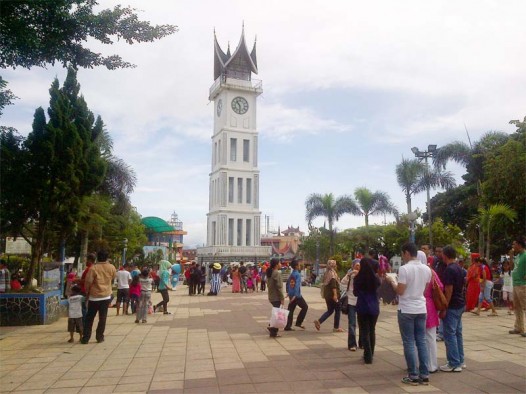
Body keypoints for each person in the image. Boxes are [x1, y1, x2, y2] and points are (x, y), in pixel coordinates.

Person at [387, 243, 431, 385]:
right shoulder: (427, 269)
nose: (402, 256)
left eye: (403, 254)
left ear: (407, 253)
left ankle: (413, 374)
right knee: (421, 341)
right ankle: (424, 374)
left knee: (409, 342)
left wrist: (392, 281)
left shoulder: (404, 269)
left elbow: (400, 291)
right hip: (421, 308)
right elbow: (425, 288)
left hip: (406, 309)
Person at [81, 250, 116, 344]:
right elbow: (113, 278)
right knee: (103, 318)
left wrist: (87, 291)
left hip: (94, 296)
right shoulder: (112, 267)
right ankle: (99, 337)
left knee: (89, 318)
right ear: (107, 258)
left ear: (97, 257)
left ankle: (86, 338)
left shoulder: (93, 268)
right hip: (106, 296)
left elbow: (88, 282)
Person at [440, 245, 466, 372]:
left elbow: (448, 289)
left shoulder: (449, 270)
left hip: (453, 304)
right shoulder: (459, 268)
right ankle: (460, 360)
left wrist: (445, 306)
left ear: (445, 255)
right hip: (460, 303)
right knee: (457, 333)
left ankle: (454, 363)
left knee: (449, 334)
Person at [419, 250, 443, 374]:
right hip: (430, 305)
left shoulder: (414, 271)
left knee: (419, 338)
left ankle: (421, 363)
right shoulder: (431, 271)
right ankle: (432, 365)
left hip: (417, 305)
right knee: (431, 337)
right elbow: (440, 286)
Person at [353, 258, 380, 364]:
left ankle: (367, 355)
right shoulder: (376, 279)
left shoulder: (358, 278)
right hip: (374, 307)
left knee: (364, 330)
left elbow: (355, 293)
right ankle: (371, 353)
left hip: (362, 306)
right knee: (372, 330)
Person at [314, 260, 344, 333]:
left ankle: (319, 321)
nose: (336, 266)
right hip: (333, 296)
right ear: (333, 266)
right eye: (335, 265)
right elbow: (333, 286)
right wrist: (335, 295)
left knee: (330, 310)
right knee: (337, 310)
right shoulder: (332, 274)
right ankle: (336, 327)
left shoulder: (326, 273)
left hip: (327, 296)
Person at [284, 259, 308, 331]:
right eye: (299, 264)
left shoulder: (292, 274)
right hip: (296, 295)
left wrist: (288, 292)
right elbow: (297, 285)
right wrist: (295, 295)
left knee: (290, 310)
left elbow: (287, 283)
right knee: (305, 307)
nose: (300, 265)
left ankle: (288, 326)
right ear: (296, 266)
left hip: (291, 294)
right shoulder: (297, 274)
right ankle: (298, 322)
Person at [342, 261, 360, 351]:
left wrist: (359, 274)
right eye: (356, 266)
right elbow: (343, 282)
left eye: (359, 266)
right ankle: (352, 344)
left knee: (362, 324)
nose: (357, 268)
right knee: (352, 323)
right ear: (353, 266)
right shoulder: (350, 275)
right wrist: (349, 274)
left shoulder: (362, 275)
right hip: (351, 301)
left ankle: (362, 343)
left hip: (361, 302)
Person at [510, 238, 526, 337]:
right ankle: (519, 327)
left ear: (519, 245)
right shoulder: (518, 256)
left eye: (514, 244)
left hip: (522, 284)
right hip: (515, 283)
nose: (513, 246)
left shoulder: (525, 255)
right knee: (517, 307)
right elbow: (512, 267)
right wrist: (511, 256)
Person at [266, 258, 285, 338]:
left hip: (271, 296)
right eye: (280, 263)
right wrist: (282, 298)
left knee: (275, 313)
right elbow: (279, 287)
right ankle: (273, 331)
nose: (281, 264)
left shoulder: (270, 273)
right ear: (276, 265)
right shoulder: (276, 273)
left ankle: (271, 327)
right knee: (277, 314)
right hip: (276, 297)